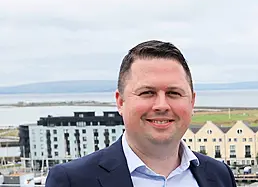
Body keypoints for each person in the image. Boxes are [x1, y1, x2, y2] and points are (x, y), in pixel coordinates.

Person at [45, 40, 237, 187]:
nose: (162, 105)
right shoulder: (73, 181)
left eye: (173, 93)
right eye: (147, 93)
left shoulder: (220, 176)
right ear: (120, 102)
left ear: (192, 102)